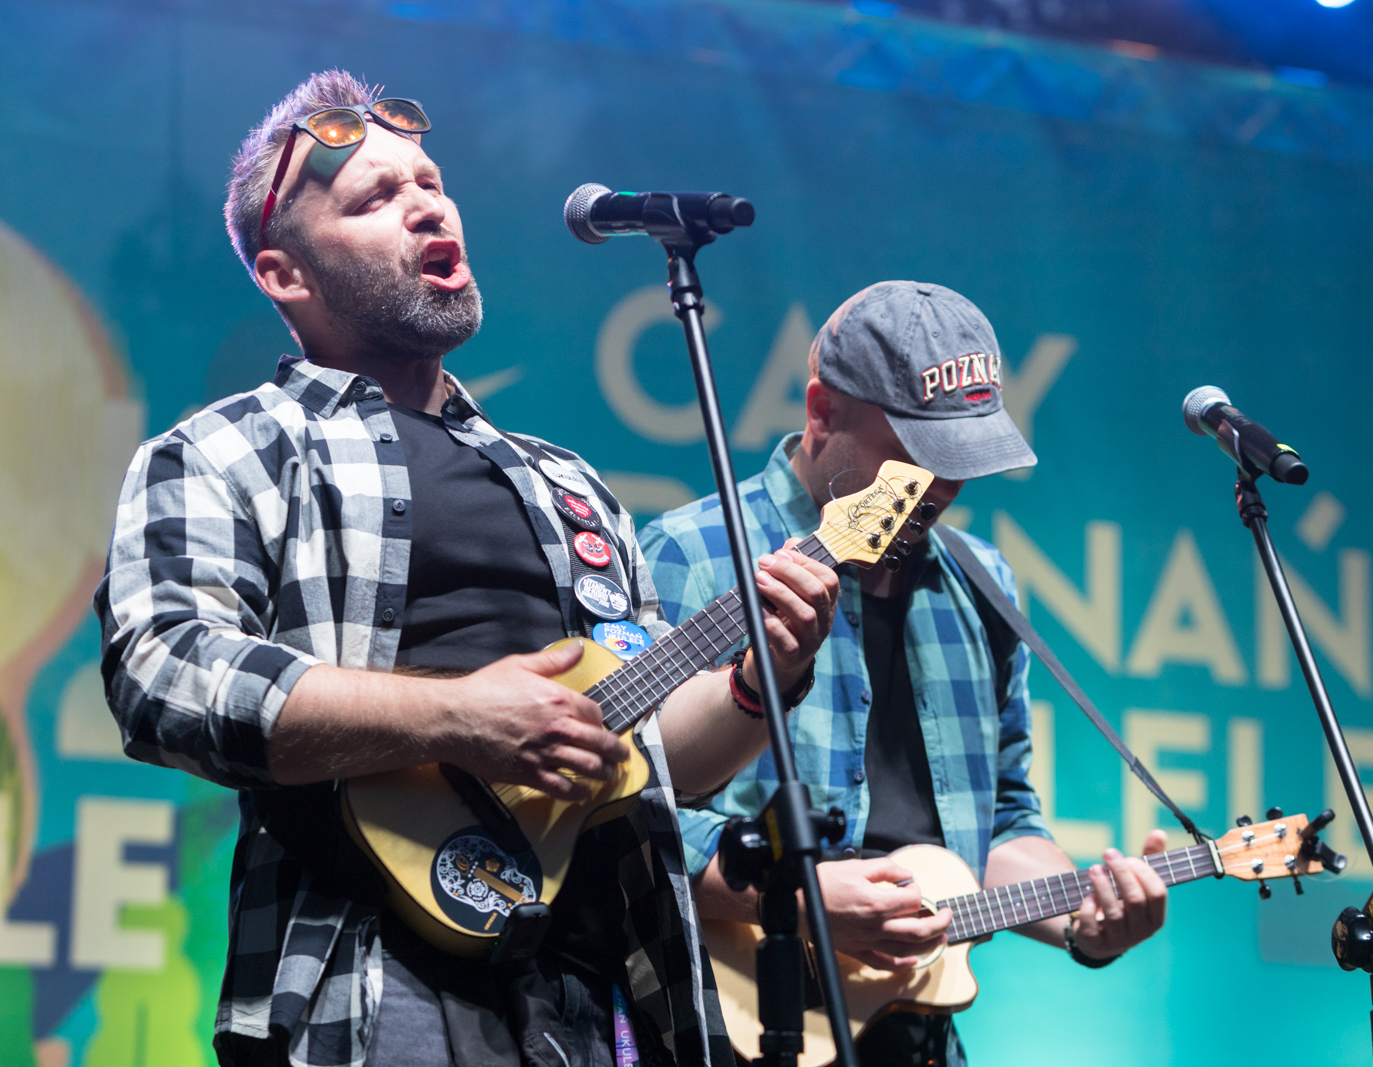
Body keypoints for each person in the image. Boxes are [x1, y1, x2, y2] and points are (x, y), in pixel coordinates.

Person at [94, 70, 838, 1067]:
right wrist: (455, 718)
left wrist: (760, 679)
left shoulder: (568, 483)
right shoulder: (226, 451)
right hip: (370, 985)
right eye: (374, 197)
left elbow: (656, 758)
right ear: (286, 274)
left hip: (616, 986)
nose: (427, 204)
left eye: (431, 182)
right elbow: (163, 674)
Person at [639, 281, 1170, 1066]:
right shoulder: (692, 554)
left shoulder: (984, 584)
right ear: (822, 412)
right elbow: (621, 811)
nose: (947, 486)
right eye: (920, 454)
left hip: (919, 1038)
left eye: (966, 456)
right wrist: (796, 896)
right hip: (731, 1026)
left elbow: (1003, 821)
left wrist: (1083, 922)